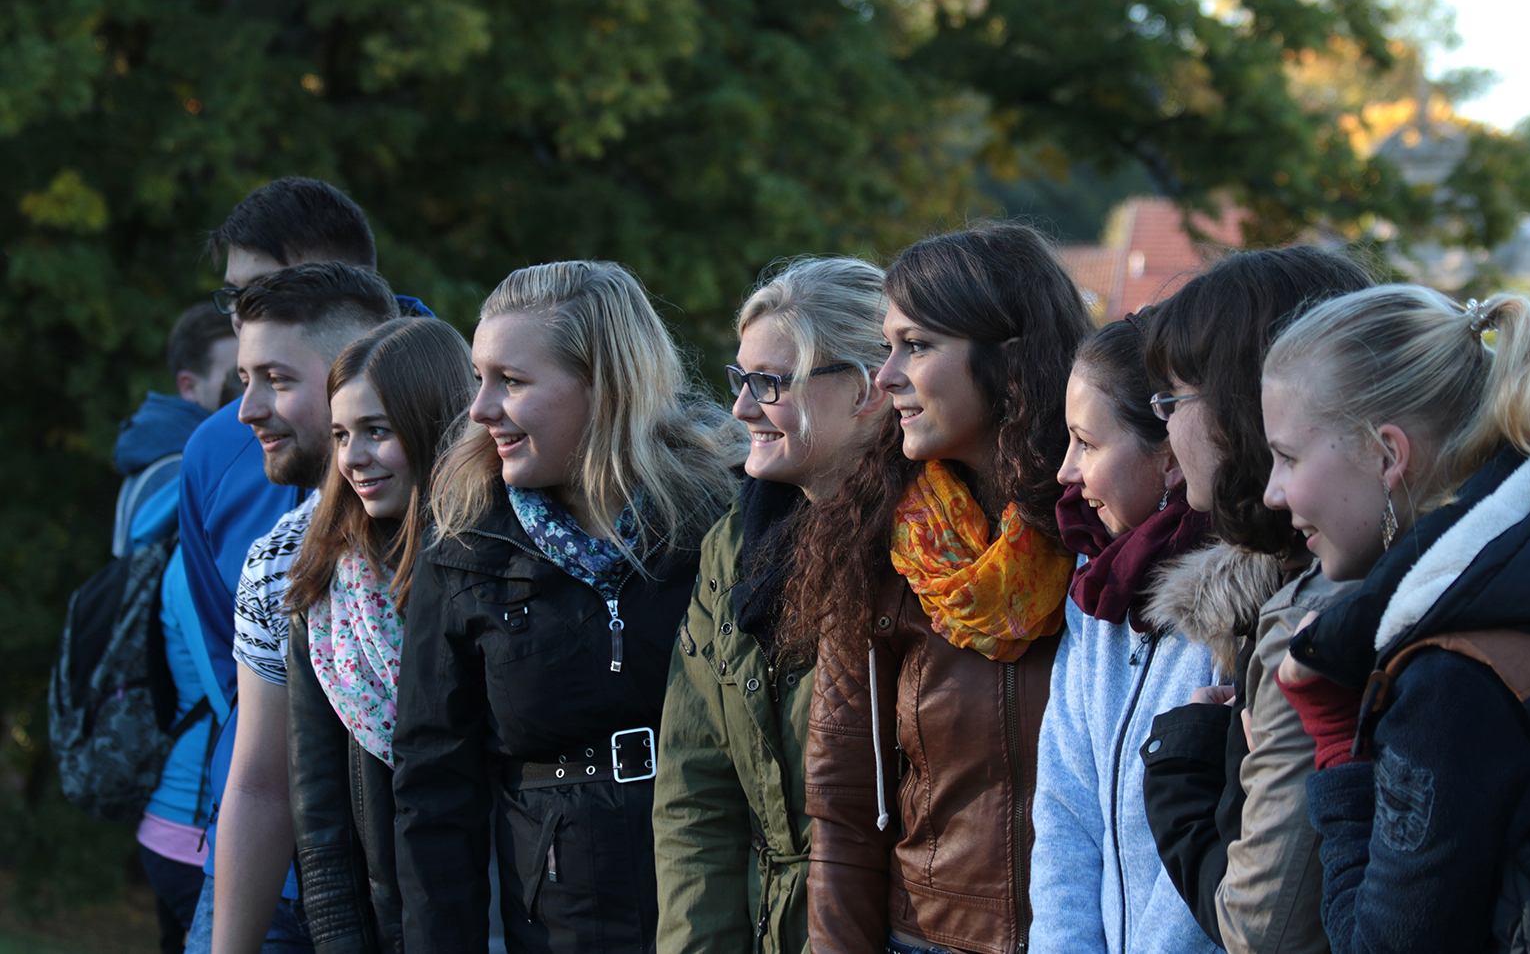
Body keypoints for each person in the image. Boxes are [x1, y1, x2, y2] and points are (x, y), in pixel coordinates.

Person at [392, 260, 744, 954]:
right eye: (479, 378)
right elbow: (433, 792)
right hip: (556, 924)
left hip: (722, 908)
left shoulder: (723, 518)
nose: (481, 408)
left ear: (605, 387)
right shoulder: (464, 544)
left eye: (512, 381)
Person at [785, 222, 1095, 954]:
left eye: (916, 346)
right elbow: (842, 806)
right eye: (886, 345)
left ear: (1008, 358)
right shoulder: (875, 543)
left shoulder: (1104, 536)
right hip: (927, 937)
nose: (886, 374)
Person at [1265, 286, 1530, 954]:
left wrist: (1335, 740)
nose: (1274, 491)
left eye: (1289, 457)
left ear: (1389, 455)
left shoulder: (1454, 680)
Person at [177, 178, 431, 952]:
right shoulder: (231, 477)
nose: (247, 408)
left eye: (276, 379)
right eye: (234, 301)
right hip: (284, 871)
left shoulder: (477, 499)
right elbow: (245, 721)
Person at [1135, 246, 1371, 954]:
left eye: (1172, 401)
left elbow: (1263, 926)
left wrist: (1180, 767)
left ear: (1242, 406)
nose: (1166, 431)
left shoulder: (1313, 618)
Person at [653, 257, 891, 954]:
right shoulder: (734, 547)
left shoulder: (930, 552)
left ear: (865, 388)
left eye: (770, 383)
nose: (740, 407)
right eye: (742, 378)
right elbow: (695, 798)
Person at [204, 263, 401, 954]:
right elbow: (261, 786)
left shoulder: (496, 526)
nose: (247, 409)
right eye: (244, 379)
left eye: (277, 380)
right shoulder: (279, 563)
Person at [280, 317, 476, 952]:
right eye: (340, 434)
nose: (352, 457)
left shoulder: (501, 569)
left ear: (433, 427)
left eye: (377, 431)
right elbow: (320, 821)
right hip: (389, 928)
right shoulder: (328, 596)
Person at [1028, 315, 1221, 954]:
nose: (1065, 471)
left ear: (1168, 455)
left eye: (1086, 443)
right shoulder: (1096, 583)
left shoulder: (1236, 605)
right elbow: (1064, 810)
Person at [114, 303, 239, 954]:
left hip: (183, 811)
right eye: (240, 379)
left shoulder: (151, 480)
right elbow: (228, 689)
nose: (251, 405)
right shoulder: (184, 494)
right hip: (196, 821)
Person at [113, 302, 239, 556]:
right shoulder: (180, 471)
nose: (250, 389)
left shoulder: (159, 449)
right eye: (237, 376)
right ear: (189, 386)